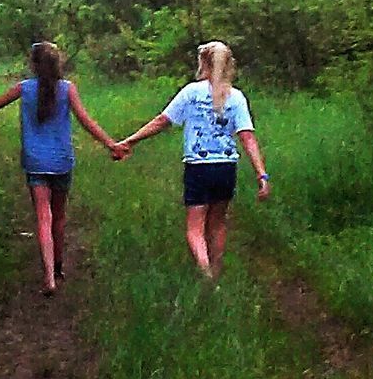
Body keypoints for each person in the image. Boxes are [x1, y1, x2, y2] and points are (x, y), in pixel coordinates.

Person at [0, 42, 122, 295]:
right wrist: (112, 145)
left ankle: (49, 277)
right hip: (61, 161)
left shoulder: (24, 89)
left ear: (33, 65)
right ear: (57, 64)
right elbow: (86, 121)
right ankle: (59, 266)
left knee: (43, 217)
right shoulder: (68, 89)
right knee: (59, 216)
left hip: (35, 161)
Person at [114, 41, 269, 280]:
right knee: (217, 223)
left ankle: (206, 275)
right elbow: (247, 137)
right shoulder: (236, 97)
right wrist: (261, 175)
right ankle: (216, 273)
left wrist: (129, 141)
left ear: (204, 64)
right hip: (226, 167)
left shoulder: (191, 93)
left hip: (198, 167)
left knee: (195, 228)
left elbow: (161, 121)